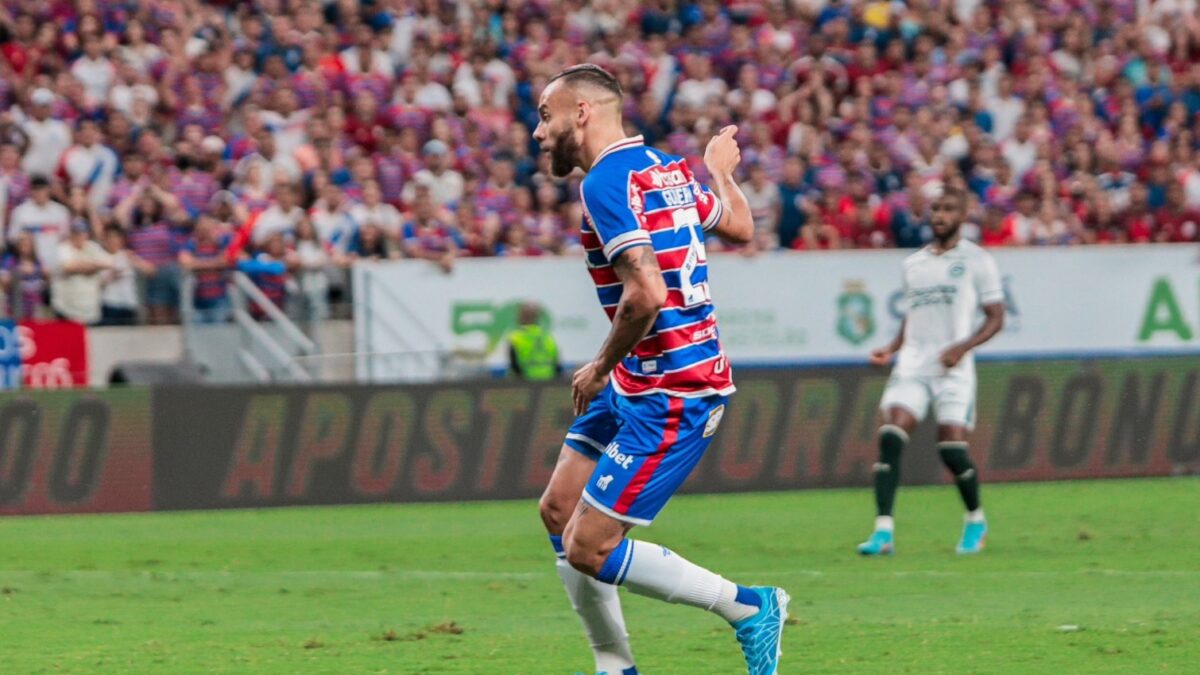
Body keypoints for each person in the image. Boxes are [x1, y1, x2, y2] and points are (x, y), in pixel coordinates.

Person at [531, 64, 785, 675]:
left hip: (675, 388)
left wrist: (597, 366)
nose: (538, 133)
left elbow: (645, 293)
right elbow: (741, 224)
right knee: (559, 510)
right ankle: (615, 666)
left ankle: (749, 608)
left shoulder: (606, 184)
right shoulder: (665, 170)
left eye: (546, 116)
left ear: (582, 113)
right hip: (641, 377)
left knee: (589, 547)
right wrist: (720, 174)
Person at [860, 185, 1006, 557]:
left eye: (947, 209)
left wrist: (962, 347)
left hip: (953, 367)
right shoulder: (914, 264)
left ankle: (975, 520)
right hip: (913, 363)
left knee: (952, 450)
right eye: (935, 209)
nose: (939, 215)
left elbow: (996, 317)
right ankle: (883, 532)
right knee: (891, 435)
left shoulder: (977, 260)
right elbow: (913, 315)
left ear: (961, 216)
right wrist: (891, 348)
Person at [52, 219, 112, 324]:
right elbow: (68, 266)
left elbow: (108, 263)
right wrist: (93, 266)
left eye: (82, 233)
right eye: (76, 233)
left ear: (87, 234)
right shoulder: (63, 248)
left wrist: (81, 265)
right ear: (71, 234)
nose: (79, 237)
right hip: (67, 309)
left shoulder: (93, 247)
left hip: (90, 309)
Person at [508, 302, 560, 381]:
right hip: (548, 382)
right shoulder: (547, 337)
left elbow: (514, 366)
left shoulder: (516, 338)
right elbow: (556, 363)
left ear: (521, 317)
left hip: (526, 384)